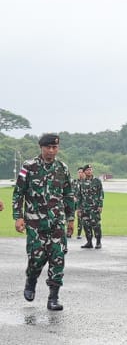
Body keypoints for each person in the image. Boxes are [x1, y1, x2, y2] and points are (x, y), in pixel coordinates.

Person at [13, 133, 76, 310]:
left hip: (57, 223)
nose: (51, 150)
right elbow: (19, 193)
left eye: (54, 147)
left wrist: (71, 219)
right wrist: (18, 216)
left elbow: (68, 195)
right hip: (35, 223)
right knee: (36, 258)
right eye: (48, 147)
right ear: (41, 148)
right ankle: (31, 280)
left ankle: (53, 298)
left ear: (58, 148)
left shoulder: (62, 168)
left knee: (58, 258)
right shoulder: (29, 166)